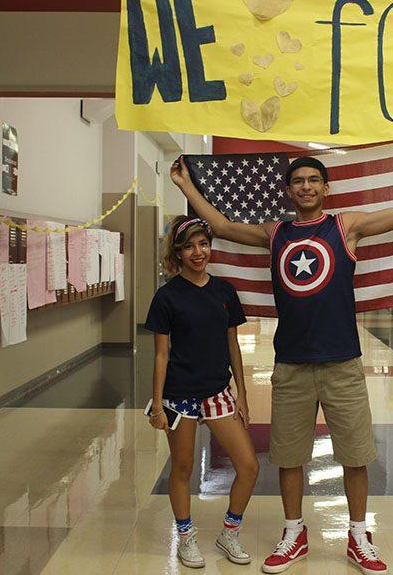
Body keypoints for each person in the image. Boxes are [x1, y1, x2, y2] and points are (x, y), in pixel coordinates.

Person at [171, 130, 393, 575]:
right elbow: (221, 227)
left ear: (325, 188)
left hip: (342, 363)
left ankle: (357, 535)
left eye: (314, 180)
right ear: (289, 191)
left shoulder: (346, 226)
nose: (306, 187)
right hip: (290, 364)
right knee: (289, 456)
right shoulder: (277, 232)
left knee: (355, 455)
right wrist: (185, 187)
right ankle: (294, 532)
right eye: (299, 181)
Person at [144, 215, 260, 569]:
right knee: (182, 469)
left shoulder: (224, 292)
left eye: (203, 244)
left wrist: (241, 392)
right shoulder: (166, 297)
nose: (198, 252)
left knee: (249, 466)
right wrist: (159, 406)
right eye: (190, 246)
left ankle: (229, 532)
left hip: (217, 392)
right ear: (178, 252)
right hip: (179, 396)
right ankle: (186, 537)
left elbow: (233, 346)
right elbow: (161, 354)